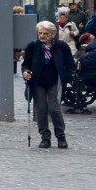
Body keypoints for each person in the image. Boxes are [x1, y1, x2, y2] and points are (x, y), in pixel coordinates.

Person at [21, 20, 73, 149]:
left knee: (54, 109)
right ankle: (45, 137)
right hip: (38, 82)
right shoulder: (33, 46)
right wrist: (25, 72)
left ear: (53, 34)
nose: (42, 36)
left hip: (55, 81)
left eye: (45, 34)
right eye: (40, 33)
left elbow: (70, 65)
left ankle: (61, 136)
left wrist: (66, 77)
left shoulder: (62, 46)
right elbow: (25, 64)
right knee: (41, 109)